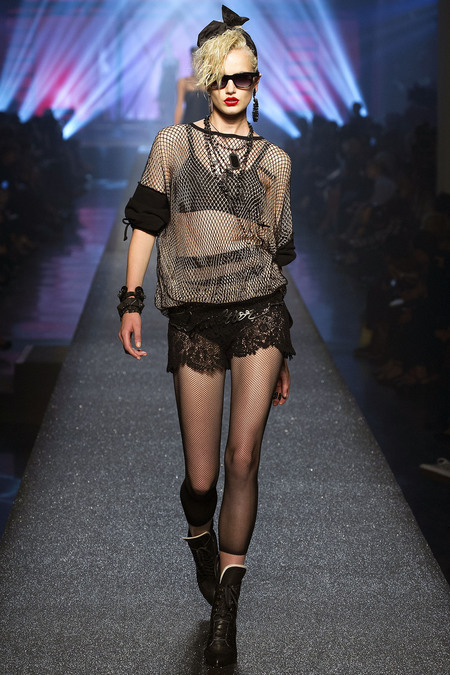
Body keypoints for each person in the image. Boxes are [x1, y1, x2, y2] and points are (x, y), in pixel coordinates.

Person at [118, 5, 296, 668]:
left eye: (243, 78)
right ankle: (200, 531)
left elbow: (276, 256)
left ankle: (226, 613)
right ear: (205, 80)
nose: (231, 88)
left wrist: (284, 349)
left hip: (260, 317)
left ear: (257, 83)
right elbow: (146, 221)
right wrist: (131, 300)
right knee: (203, 477)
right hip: (193, 317)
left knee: (243, 459)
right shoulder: (172, 145)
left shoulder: (276, 162)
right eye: (221, 77)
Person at [174, 47, 210, 124]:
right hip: (188, 123)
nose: (198, 64)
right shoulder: (184, 82)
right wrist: (175, 127)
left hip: (206, 125)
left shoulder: (210, 83)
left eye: (200, 61)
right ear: (191, 61)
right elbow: (179, 106)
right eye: (195, 60)